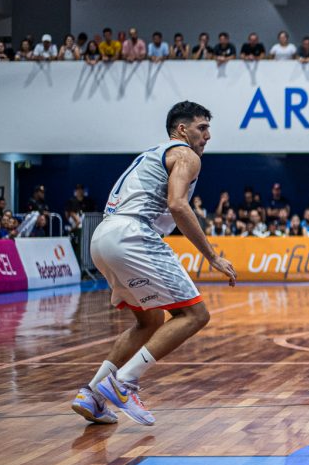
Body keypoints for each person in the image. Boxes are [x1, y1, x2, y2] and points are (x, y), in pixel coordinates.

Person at [69, 102, 236, 426]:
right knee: (195, 315)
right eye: (202, 128)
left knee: (149, 322)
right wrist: (212, 256)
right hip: (134, 234)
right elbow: (178, 205)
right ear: (182, 129)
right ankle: (124, 381)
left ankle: (92, 394)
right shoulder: (186, 155)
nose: (208, 135)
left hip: (103, 237)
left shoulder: (153, 153)